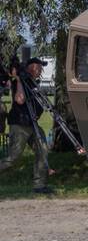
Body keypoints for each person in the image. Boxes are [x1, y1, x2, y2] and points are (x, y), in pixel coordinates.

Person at [0, 58, 53, 195]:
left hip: (33, 124)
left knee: (43, 150)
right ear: (32, 67)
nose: (41, 70)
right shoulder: (20, 81)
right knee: (13, 158)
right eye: (40, 67)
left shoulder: (33, 82)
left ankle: (39, 185)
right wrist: (18, 79)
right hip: (20, 125)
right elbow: (20, 99)